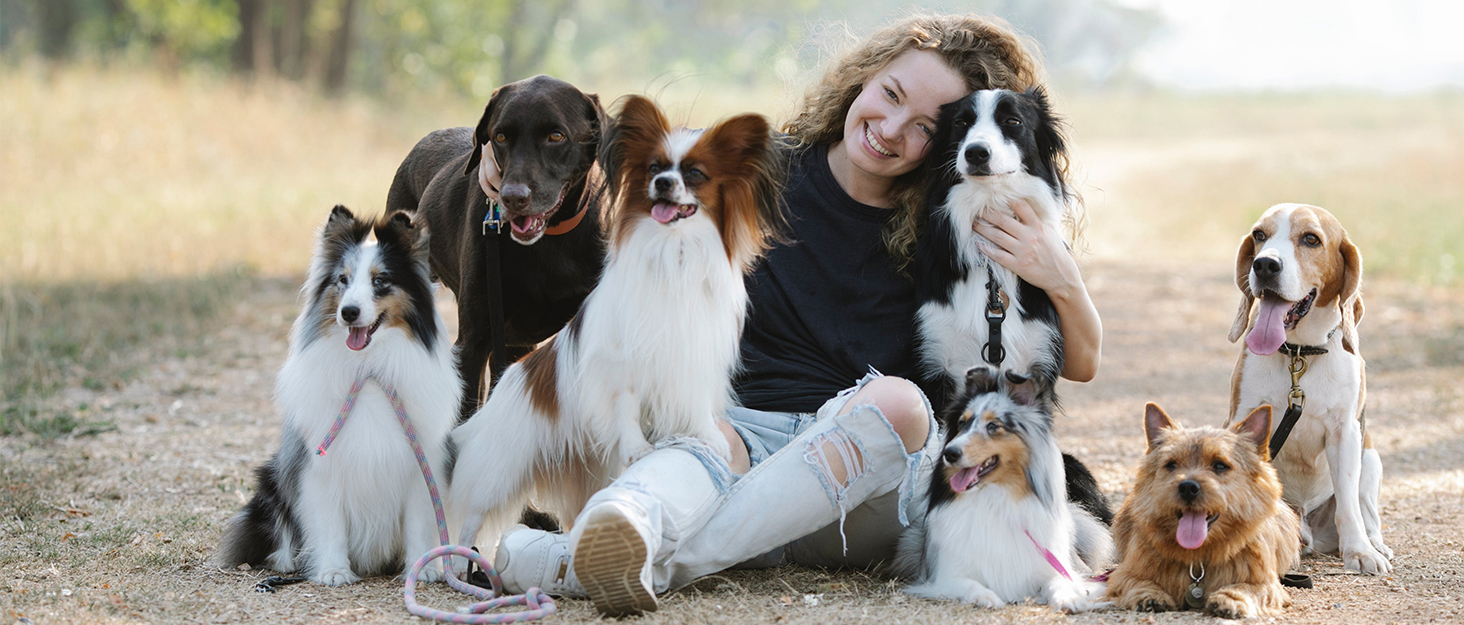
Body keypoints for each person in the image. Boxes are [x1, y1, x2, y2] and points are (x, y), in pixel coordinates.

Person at [483, 13, 1103, 616]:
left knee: (901, 405)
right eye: (889, 94)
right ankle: (624, 531)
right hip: (736, 440)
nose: (889, 128)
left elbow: (1077, 362)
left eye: (921, 126)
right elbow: (626, 155)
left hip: (861, 478)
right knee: (695, 438)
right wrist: (497, 167)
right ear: (863, 77)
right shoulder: (757, 171)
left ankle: (578, 560)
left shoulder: (946, 229)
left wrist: (1062, 276)